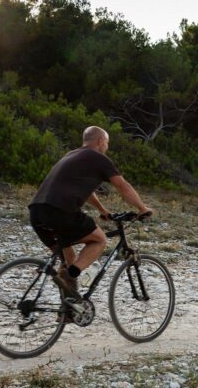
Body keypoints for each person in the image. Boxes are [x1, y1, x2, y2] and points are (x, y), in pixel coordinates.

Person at [29, 126, 153, 299]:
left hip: (36, 211)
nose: (107, 147)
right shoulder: (99, 158)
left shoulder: (71, 155)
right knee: (99, 240)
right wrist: (142, 208)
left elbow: (84, 189)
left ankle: (68, 310)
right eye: (107, 143)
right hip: (61, 210)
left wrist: (102, 209)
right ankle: (69, 275)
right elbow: (122, 186)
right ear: (101, 141)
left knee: (68, 258)